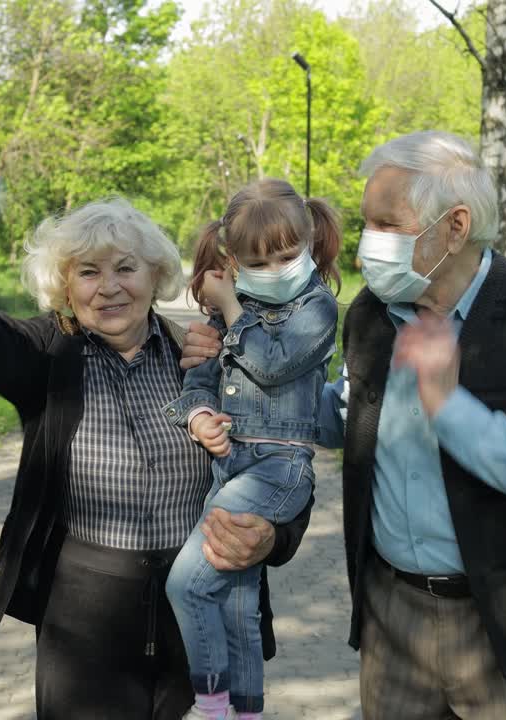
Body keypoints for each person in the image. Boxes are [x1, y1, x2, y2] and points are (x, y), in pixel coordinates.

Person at [181, 131, 506, 719]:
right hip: (395, 623)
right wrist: (230, 370)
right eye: (366, 225)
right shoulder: (372, 316)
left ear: (455, 227)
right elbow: (343, 416)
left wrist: (450, 407)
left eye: (388, 225)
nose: (365, 250)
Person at [0, 194, 315, 720]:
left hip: (196, 616)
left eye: (126, 268)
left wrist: (275, 537)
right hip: (84, 624)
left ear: (154, 275)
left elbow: (281, 453)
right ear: (66, 288)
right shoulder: (48, 355)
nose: (109, 287)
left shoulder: (202, 357)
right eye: (88, 272)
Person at [161, 179, 341, 720]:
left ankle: (210, 705)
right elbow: (198, 382)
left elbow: (272, 362)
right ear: (233, 259)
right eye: (259, 262)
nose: (278, 269)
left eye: (289, 256)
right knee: (238, 607)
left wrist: (231, 306)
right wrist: (199, 419)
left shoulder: (318, 308)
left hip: (278, 470)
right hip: (229, 466)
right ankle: (244, 710)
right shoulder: (222, 317)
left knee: (188, 584)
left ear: (310, 244)